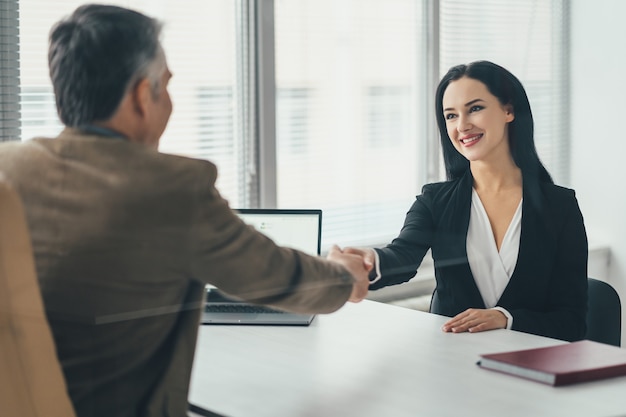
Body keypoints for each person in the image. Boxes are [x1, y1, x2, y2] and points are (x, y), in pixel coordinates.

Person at [0, 4, 371, 417]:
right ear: (143, 95)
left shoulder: (8, 167)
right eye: (166, 85)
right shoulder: (169, 188)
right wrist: (344, 275)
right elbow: (279, 277)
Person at [343, 60, 587, 342]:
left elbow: (572, 323)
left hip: (531, 370)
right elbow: (402, 256)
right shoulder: (435, 201)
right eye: (450, 116)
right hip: (453, 365)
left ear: (509, 110)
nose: (462, 126)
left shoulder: (560, 206)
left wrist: (506, 319)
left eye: (475, 108)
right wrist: (368, 261)